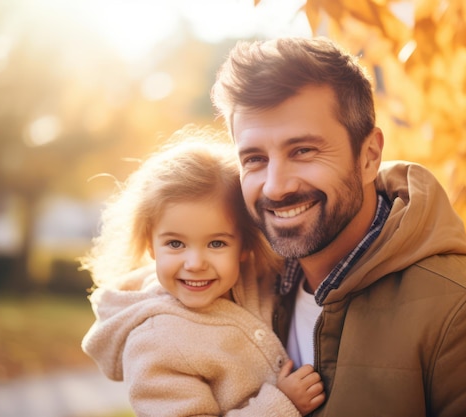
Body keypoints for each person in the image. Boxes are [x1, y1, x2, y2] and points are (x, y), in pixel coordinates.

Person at [210, 36, 466, 416]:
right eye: (254, 159)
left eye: (303, 151)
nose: (276, 185)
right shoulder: (235, 295)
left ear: (369, 156)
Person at [81, 128, 325, 417]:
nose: (195, 263)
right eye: (175, 243)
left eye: (216, 243)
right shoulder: (156, 343)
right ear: (151, 246)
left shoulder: (253, 277)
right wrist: (282, 406)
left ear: (245, 246)